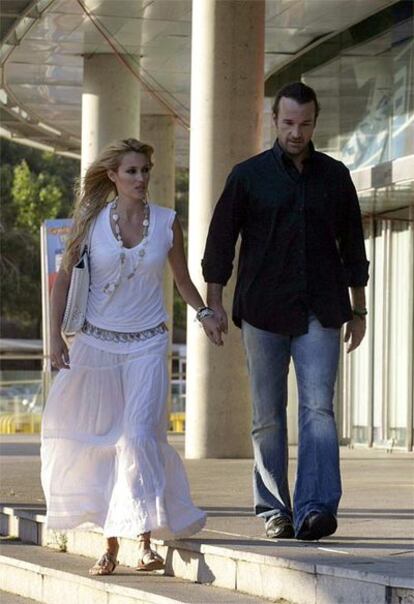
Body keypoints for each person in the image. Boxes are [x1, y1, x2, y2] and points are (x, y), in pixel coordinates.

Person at [41, 138, 221, 576]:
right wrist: (54, 339)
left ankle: (142, 542)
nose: (141, 179)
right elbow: (63, 281)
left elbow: (181, 280)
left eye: (145, 171)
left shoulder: (165, 222)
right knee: (105, 443)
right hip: (96, 345)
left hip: (147, 344)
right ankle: (110, 543)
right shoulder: (89, 223)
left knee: (138, 435)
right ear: (113, 176)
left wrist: (204, 313)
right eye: (132, 171)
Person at [202, 82, 369, 541]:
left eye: (306, 123)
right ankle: (275, 509)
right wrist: (213, 303)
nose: (297, 132)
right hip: (262, 310)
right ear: (275, 120)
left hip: (322, 307)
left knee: (319, 408)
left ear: (315, 123)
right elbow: (220, 244)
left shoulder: (335, 176)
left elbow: (353, 246)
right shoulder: (248, 176)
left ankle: (316, 508)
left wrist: (360, 310)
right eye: (289, 123)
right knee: (268, 414)